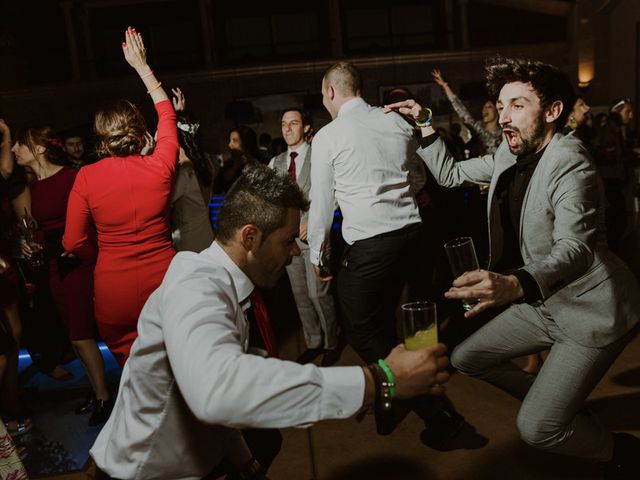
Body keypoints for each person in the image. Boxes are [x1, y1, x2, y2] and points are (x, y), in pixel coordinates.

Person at [89, 164, 451, 480]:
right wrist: (380, 380)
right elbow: (217, 392)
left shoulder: (228, 286)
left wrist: (247, 467)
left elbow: (213, 403)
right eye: (288, 240)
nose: (295, 251)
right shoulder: (195, 287)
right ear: (250, 237)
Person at [386, 55, 640, 477]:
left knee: (537, 429)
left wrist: (512, 284)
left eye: (517, 105)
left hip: (589, 311)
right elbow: (450, 175)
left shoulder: (570, 162)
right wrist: (425, 124)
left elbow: (574, 248)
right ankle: (561, 406)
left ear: (553, 111)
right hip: (544, 304)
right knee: (467, 358)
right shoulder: (509, 152)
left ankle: (620, 452)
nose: (504, 116)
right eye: (501, 105)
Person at [307, 61, 467, 450]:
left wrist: (318, 253)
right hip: (412, 237)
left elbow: (322, 203)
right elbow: (417, 177)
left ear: (330, 91)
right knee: (398, 324)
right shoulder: (396, 123)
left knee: (361, 327)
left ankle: (433, 407)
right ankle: (391, 400)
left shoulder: (328, 136)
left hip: (373, 244)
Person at [63, 27, 179, 366]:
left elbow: (72, 242)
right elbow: (167, 114)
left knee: (135, 375)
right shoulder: (161, 165)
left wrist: (98, 254)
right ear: (140, 132)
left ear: (102, 139)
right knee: (174, 369)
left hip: (114, 289)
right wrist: (143, 67)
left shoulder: (86, 176)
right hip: (165, 282)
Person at [11, 124, 112, 425]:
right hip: (54, 268)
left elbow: (94, 220)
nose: (16, 150)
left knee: (81, 335)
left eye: (22, 145)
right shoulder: (33, 187)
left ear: (40, 149)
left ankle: (104, 397)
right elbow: (36, 230)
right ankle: (95, 391)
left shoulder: (72, 177)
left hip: (77, 265)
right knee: (73, 334)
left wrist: (84, 249)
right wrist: (30, 246)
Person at [268, 108, 340, 366]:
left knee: (319, 294)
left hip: (315, 238)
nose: (287, 128)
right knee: (300, 295)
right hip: (288, 243)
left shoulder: (319, 156)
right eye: (284, 123)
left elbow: (334, 193)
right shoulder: (275, 163)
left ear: (306, 127)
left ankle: (333, 342)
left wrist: (315, 221)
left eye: (294, 123)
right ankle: (314, 342)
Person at [169, 88, 215, 252]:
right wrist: (180, 115)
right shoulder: (206, 161)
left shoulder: (184, 173)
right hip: (207, 236)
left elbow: (162, 201)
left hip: (188, 243)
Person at [432, 68, 502, 155]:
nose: (485, 109)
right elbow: (461, 110)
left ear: (497, 110)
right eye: (483, 107)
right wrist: (445, 86)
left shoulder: (503, 132)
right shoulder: (478, 128)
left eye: (489, 106)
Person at [214, 126, 260, 194]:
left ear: (246, 143)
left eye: (234, 141)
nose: (230, 145)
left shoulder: (262, 162)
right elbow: (217, 189)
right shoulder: (229, 165)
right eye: (230, 140)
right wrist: (234, 168)